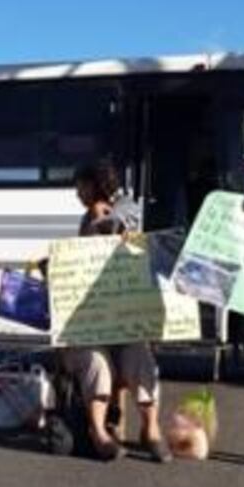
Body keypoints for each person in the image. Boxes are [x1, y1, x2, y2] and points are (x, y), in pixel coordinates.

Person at [62, 160, 171, 463]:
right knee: (97, 363)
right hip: (91, 324)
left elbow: (127, 230)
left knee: (140, 358)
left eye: (80, 187)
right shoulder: (85, 219)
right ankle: (99, 433)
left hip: (123, 321)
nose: (77, 194)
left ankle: (150, 429)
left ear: (95, 185)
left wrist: (109, 223)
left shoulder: (125, 209)